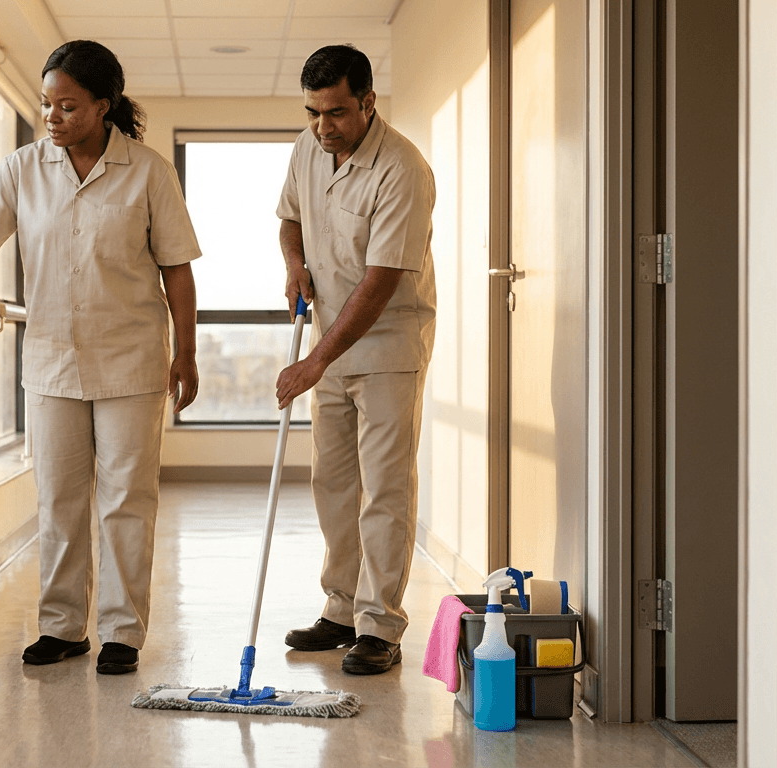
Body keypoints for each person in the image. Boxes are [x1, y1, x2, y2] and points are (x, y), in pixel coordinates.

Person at [0, 40, 201, 675]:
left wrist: (187, 354)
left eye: (67, 106)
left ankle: (122, 633)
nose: (52, 117)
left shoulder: (148, 172)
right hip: (54, 361)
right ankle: (62, 627)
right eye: (45, 104)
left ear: (102, 107)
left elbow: (177, 268)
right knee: (58, 499)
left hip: (133, 362)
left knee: (126, 501)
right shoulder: (22, 169)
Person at [274, 44, 436, 675]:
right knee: (334, 483)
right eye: (314, 112)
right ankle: (340, 610)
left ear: (368, 101)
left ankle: (379, 626)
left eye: (337, 112)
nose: (324, 127)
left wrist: (315, 361)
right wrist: (294, 264)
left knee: (384, 488)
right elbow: (290, 217)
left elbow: (382, 281)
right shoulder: (306, 147)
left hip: (387, 343)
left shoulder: (403, 169)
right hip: (330, 344)